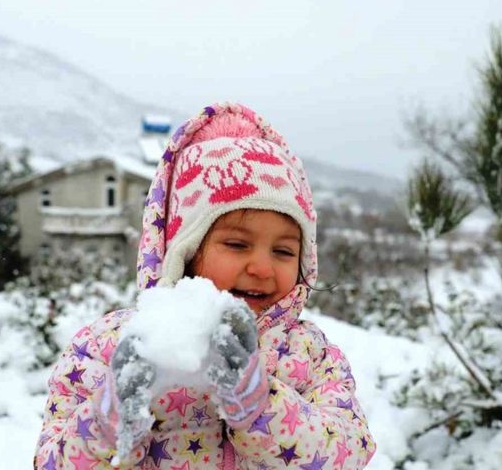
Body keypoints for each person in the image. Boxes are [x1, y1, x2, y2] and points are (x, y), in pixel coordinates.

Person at [34, 102, 376, 469]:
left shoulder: (309, 355)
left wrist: (260, 405)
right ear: (184, 249)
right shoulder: (107, 346)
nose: (262, 267)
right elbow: (52, 463)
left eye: (283, 250)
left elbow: (348, 454)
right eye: (237, 244)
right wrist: (112, 415)